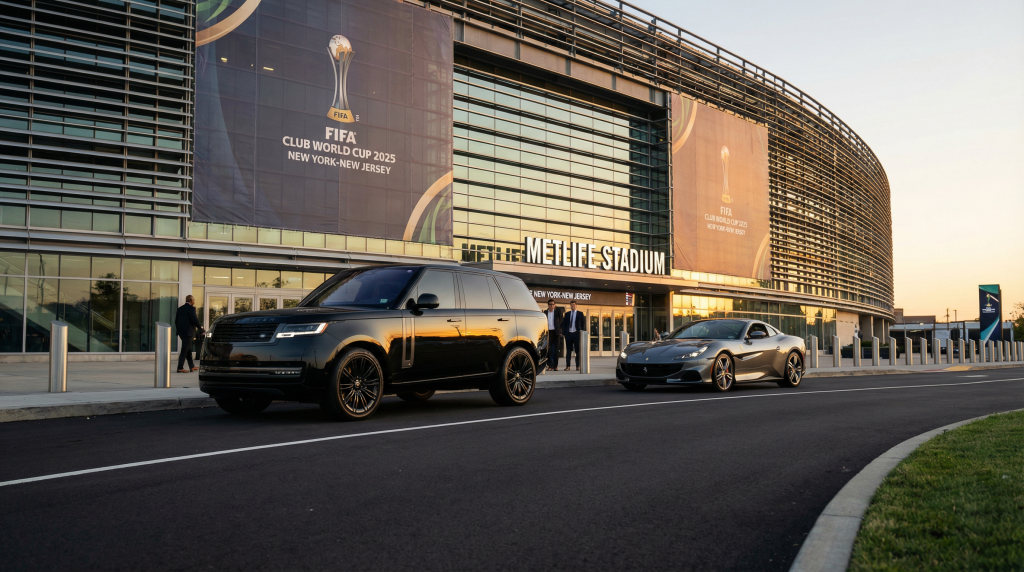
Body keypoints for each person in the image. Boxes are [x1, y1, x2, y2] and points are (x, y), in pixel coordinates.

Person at [175, 295, 204, 373]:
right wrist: (201, 329)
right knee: (184, 350)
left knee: (188, 349)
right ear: (191, 300)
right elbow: (195, 320)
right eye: (194, 300)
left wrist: (179, 330)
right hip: (188, 332)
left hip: (181, 332)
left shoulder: (180, 309)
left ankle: (192, 366)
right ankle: (180, 367)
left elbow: (176, 321)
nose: (194, 301)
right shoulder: (191, 308)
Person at [561, 300, 586, 371]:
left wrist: (581, 333)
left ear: (576, 305)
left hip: (576, 334)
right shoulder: (567, 314)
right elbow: (564, 324)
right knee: (568, 351)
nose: (573, 306)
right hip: (568, 334)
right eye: (571, 305)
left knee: (577, 351)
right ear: (570, 306)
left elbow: (583, 324)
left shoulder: (580, 314)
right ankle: (568, 366)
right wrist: (564, 332)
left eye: (574, 305)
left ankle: (578, 366)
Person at [542, 299, 564, 372]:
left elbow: (561, 322)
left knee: (556, 350)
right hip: (548, 333)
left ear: (554, 305)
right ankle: (550, 365)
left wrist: (560, 331)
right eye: (550, 304)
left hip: (556, 333)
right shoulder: (545, 312)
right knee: (549, 350)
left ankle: (555, 366)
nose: (551, 305)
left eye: (553, 304)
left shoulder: (558, 312)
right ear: (548, 305)